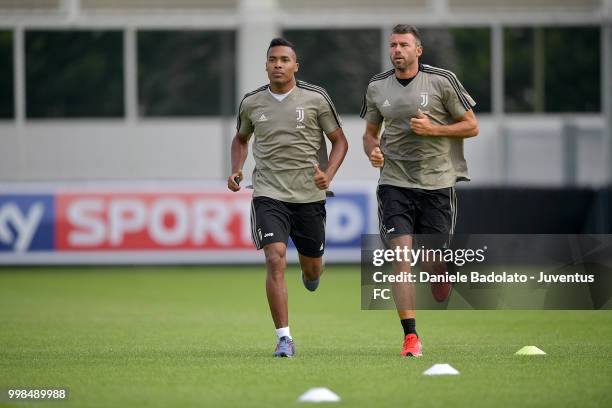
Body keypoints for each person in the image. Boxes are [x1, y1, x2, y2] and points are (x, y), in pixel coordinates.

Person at [361, 24, 478, 357]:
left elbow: (472, 126)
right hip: (394, 183)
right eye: (393, 45)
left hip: (437, 185)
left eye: (403, 45)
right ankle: (410, 336)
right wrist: (372, 150)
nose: (397, 50)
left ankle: (440, 269)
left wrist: (435, 129)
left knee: (430, 262)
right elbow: (370, 134)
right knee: (401, 258)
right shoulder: (376, 87)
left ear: (418, 50)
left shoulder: (442, 81)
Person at [228, 38, 348, 358]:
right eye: (272, 59)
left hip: (309, 195)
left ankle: (311, 273)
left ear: (296, 65)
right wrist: (237, 169)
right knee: (274, 256)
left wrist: (329, 174)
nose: (278, 64)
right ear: (266, 65)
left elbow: (339, 142)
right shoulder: (251, 103)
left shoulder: (316, 98)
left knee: (312, 269)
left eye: (284, 59)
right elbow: (240, 139)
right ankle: (284, 338)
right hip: (268, 192)